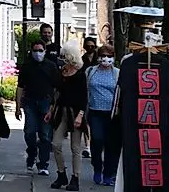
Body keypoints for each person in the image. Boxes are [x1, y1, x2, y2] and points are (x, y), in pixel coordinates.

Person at [47, 40, 87, 190]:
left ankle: (75, 177)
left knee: (75, 147)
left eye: (65, 56)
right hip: (61, 111)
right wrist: (51, 110)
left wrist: (80, 115)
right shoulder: (62, 73)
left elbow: (84, 97)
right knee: (56, 144)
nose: (62, 59)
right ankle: (61, 173)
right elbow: (56, 93)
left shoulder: (80, 75)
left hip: (75, 112)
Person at [15, 40, 59, 176]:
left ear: (45, 51)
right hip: (30, 101)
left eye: (40, 50)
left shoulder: (51, 66)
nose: (38, 53)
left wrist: (54, 105)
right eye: (35, 50)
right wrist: (18, 106)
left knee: (45, 135)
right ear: (31, 51)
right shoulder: (27, 66)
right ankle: (32, 153)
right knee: (29, 131)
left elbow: (57, 87)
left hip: (46, 101)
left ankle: (43, 163)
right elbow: (20, 87)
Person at [85, 44, 120, 187]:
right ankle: (97, 168)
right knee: (97, 140)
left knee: (112, 145)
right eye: (103, 55)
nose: (106, 59)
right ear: (98, 57)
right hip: (95, 112)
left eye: (109, 56)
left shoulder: (117, 73)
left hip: (112, 114)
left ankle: (108, 173)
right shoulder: (91, 71)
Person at [80, 37, 98, 160]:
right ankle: (87, 145)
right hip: (85, 92)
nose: (90, 48)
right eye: (88, 46)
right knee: (86, 120)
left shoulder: (99, 59)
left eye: (92, 46)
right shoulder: (82, 60)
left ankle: (94, 144)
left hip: (97, 93)